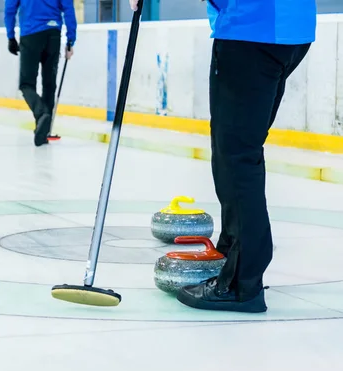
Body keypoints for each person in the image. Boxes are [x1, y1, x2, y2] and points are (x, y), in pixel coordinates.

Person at [131, 0, 317, 312]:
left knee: (236, 156)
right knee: (241, 149)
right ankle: (232, 253)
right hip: (291, 30)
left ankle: (242, 283)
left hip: (251, 30)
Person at [5, 0, 77, 146]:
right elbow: (68, 8)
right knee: (49, 84)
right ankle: (43, 131)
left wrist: (11, 36)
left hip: (31, 34)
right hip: (53, 34)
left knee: (26, 84)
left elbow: (10, 9)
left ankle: (41, 114)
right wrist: (70, 39)